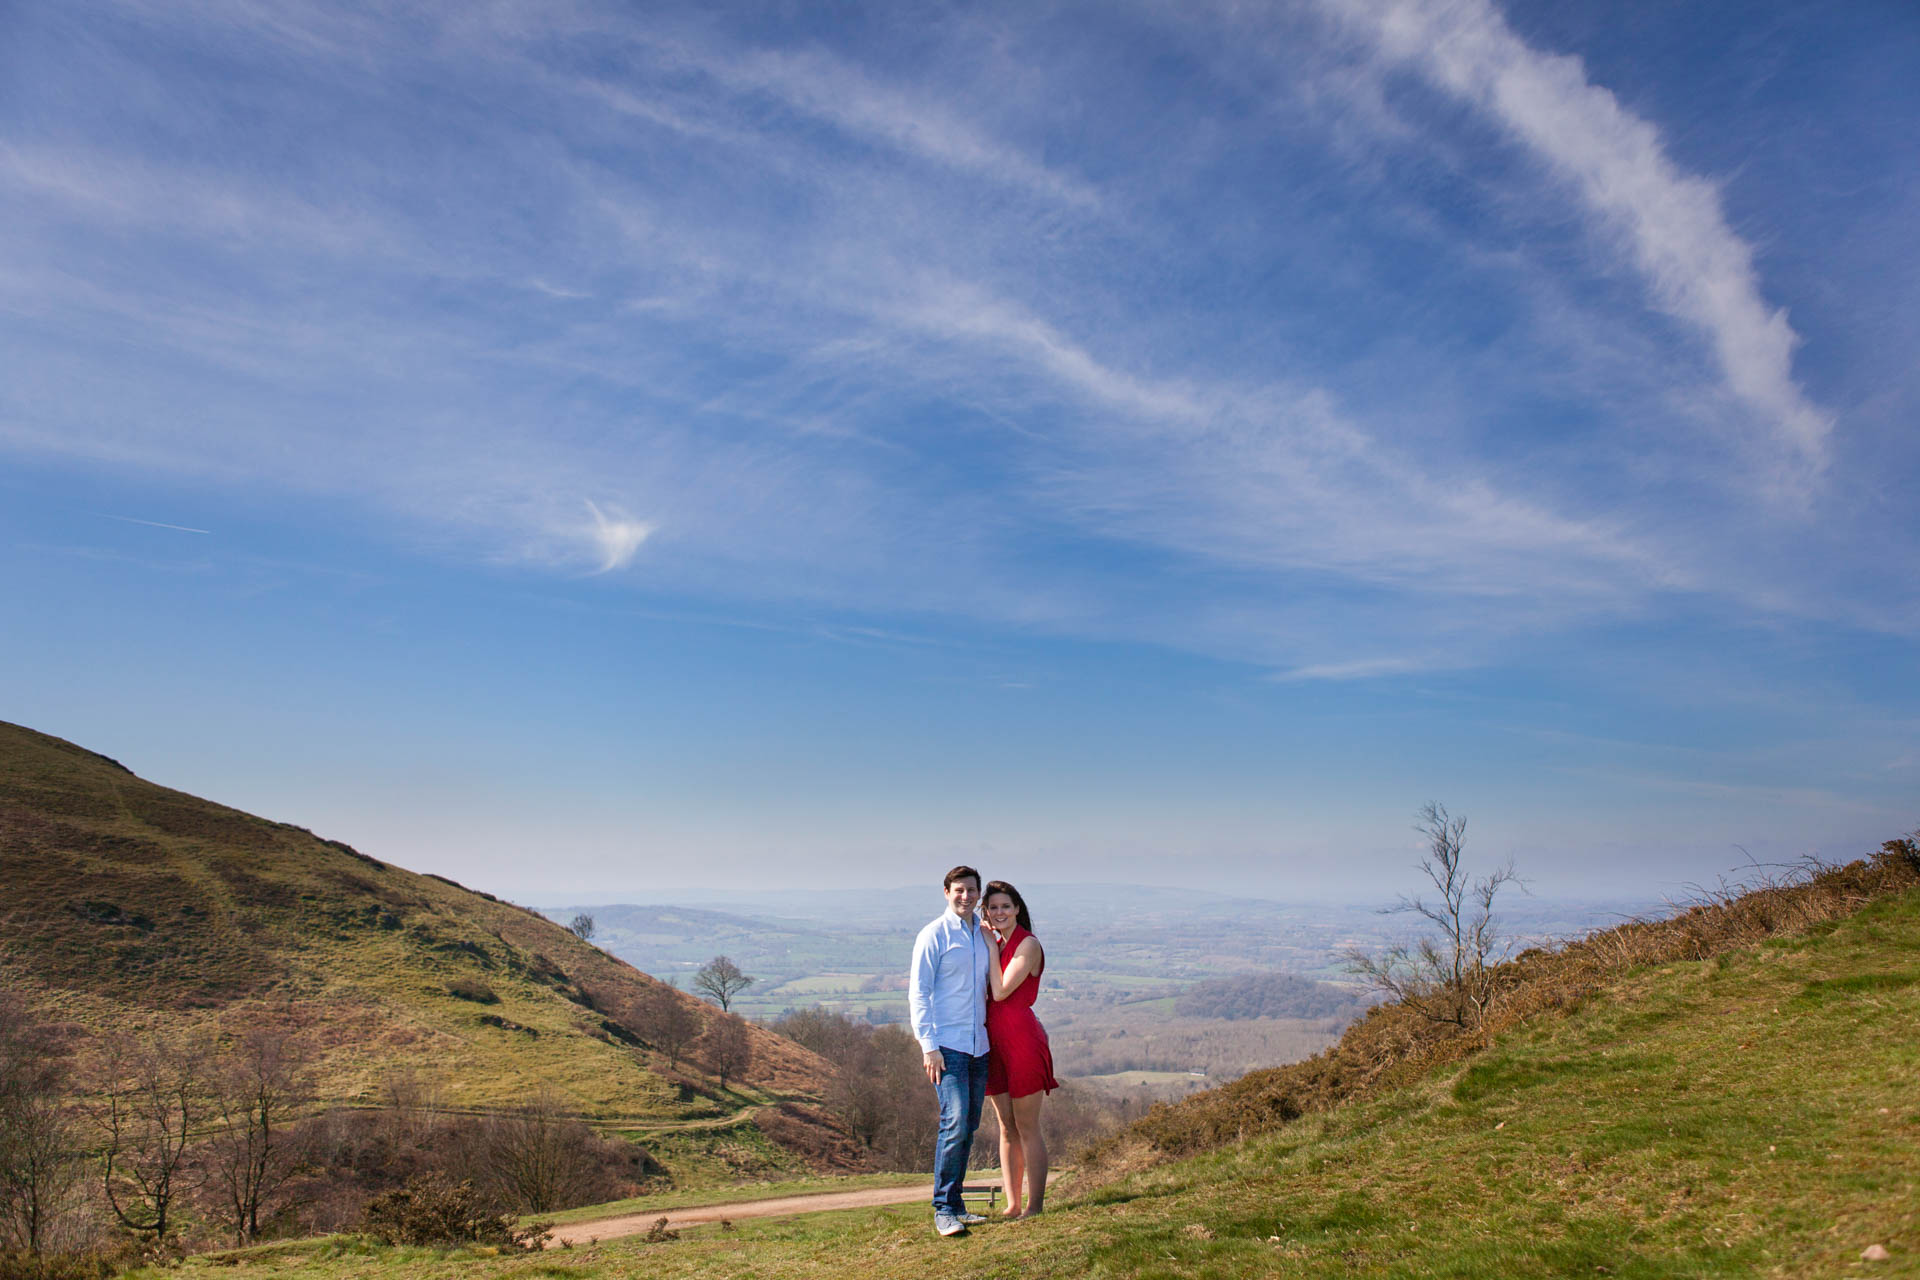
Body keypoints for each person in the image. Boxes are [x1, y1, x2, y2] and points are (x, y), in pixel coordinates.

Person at [908, 865, 991, 1238]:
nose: (966, 896)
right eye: (959, 890)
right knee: (954, 1122)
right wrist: (929, 1047)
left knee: (969, 1126)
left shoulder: (982, 933)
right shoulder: (934, 935)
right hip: (947, 1047)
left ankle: (957, 1205)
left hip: (980, 1045)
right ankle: (943, 1209)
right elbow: (918, 993)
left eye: (972, 890)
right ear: (946, 892)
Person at [980, 879, 1058, 1218]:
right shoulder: (996, 942)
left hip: (1022, 1042)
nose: (999, 912)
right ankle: (1012, 1205)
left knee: (1027, 1127)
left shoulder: (1028, 945)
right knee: (1006, 1126)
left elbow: (1000, 991)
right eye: (993, 907)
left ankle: (1034, 1206)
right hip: (994, 1043)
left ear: (1017, 909)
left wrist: (991, 948)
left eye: (1005, 907)